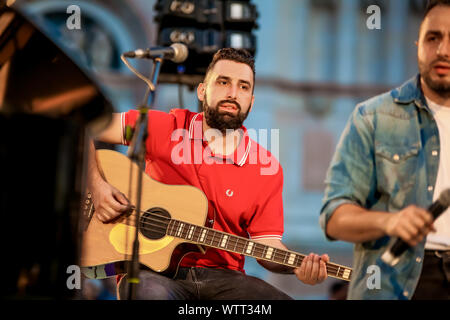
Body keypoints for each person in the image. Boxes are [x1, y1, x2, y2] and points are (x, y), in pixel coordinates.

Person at [87, 48, 329, 300]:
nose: (233, 94)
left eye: (243, 87)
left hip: (223, 280)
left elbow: (266, 245)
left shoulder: (265, 167)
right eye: (223, 82)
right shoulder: (164, 128)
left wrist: (297, 266)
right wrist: (97, 186)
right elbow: (84, 124)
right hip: (152, 273)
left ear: (251, 101)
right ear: (202, 90)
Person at [320, 0, 450, 300]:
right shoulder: (373, 117)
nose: (443, 50)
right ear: (418, 45)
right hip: (399, 279)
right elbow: (334, 216)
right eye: (433, 38)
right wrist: (390, 221)